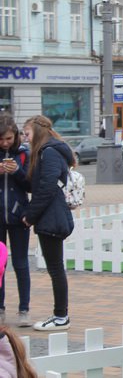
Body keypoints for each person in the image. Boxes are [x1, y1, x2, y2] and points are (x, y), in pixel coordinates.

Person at [21, 115, 75, 331]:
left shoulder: (49, 152)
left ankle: (61, 316)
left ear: (37, 132)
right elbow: (37, 185)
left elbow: (46, 188)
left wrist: (30, 216)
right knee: (56, 268)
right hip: (51, 216)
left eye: (27, 134)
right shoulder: (48, 151)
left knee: (55, 268)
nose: (25, 139)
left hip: (51, 217)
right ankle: (60, 315)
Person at [0, 114, 31, 327]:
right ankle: (0, 308)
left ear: (16, 136)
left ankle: (24, 309)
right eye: (1, 139)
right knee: (0, 265)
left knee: (21, 263)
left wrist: (17, 171)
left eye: (9, 138)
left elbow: (31, 185)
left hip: (19, 215)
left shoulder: (24, 154)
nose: (5, 143)